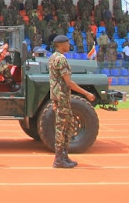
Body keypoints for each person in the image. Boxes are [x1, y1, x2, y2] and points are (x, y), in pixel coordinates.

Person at [49, 35, 95, 168]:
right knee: (62, 128)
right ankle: (59, 159)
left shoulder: (52, 58)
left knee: (67, 127)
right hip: (62, 97)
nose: (69, 46)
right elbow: (68, 82)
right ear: (61, 44)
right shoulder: (61, 59)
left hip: (59, 97)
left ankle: (64, 156)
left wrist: (53, 100)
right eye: (67, 44)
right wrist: (86, 93)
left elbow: (52, 81)